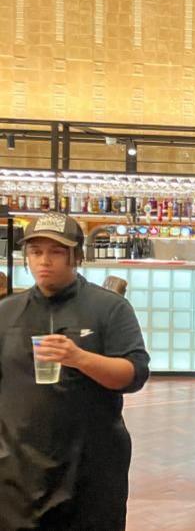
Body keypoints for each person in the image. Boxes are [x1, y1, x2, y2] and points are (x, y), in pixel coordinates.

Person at [0, 212, 150, 530]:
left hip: (91, 465)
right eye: (36, 251)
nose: (44, 261)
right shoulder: (7, 312)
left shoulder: (109, 308)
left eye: (56, 251)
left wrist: (81, 358)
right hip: (19, 468)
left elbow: (133, 374)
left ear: (77, 256)